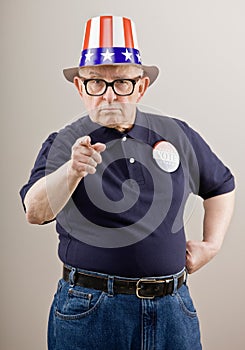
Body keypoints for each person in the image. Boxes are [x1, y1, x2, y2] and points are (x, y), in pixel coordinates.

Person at [20, 15, 235, 350]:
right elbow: (34, 210)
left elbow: (221, 185)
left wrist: (212, 245)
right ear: (80, 87)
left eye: (121, 83)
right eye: (95, 83)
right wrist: (71, 170)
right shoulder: (64, 143)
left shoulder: (176, 134)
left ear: (141, 86)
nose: (108, 96)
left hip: (173, 311)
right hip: (91, 312)